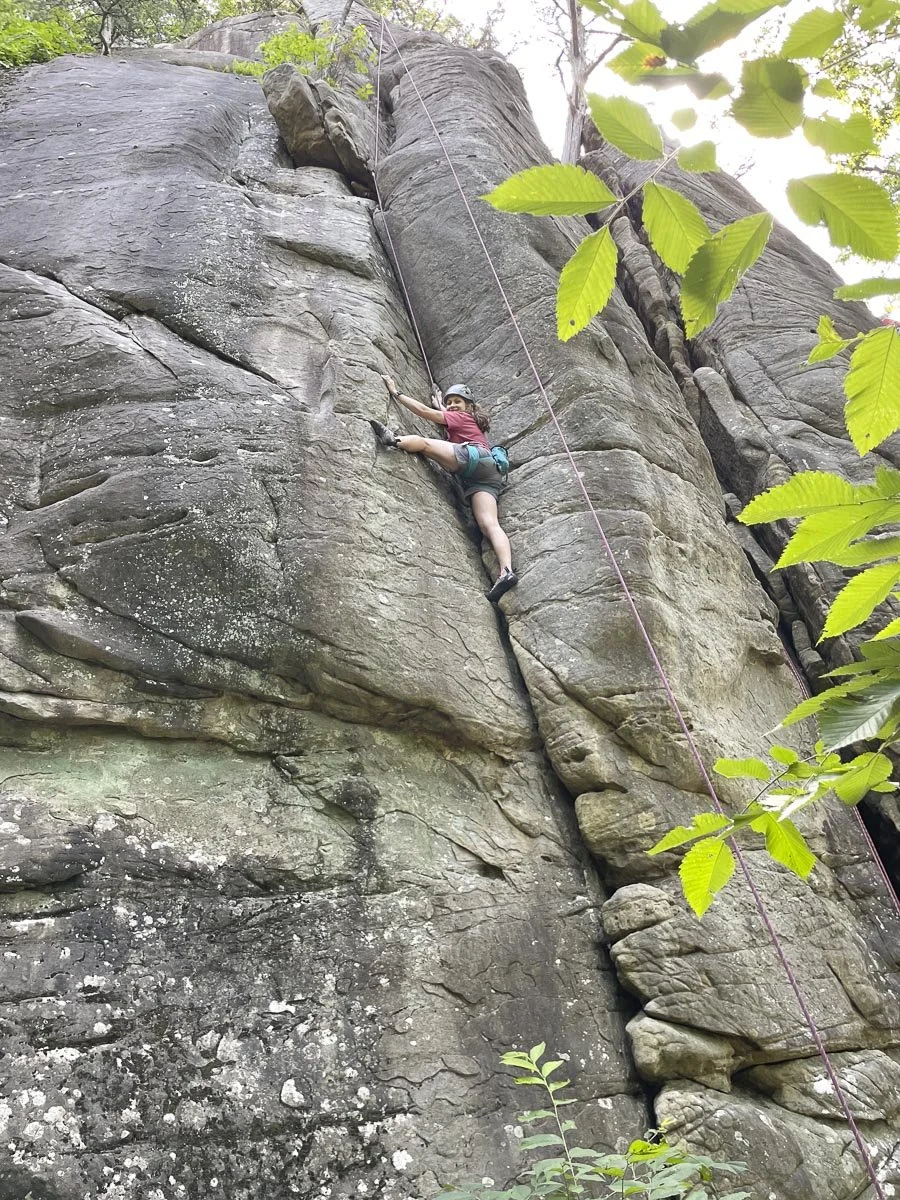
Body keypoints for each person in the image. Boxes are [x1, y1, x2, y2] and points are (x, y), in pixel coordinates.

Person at [371, 374, 518, 602]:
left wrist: (395, 392)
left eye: (456, 402)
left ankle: (394, 440)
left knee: (425, 444)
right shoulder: (470, 421)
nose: (451, 406)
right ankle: (506, 572)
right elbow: (444, 416)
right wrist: (442, 404)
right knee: (489, 524)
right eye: (449, 403)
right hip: (488, 475)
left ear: (469, 407)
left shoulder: (460, 417)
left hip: (472, 459)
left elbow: (426, 413)